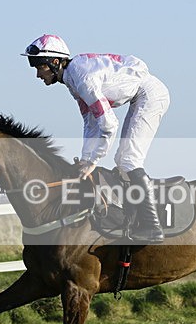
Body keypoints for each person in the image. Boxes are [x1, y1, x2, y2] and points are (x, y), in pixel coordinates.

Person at [22, 34, 170, 243]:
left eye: (40, 67)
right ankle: (134, 216)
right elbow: (90, 122)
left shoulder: (82, 79)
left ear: (55, 62)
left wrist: (93, 161)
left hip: (150, 95)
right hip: (139, 94)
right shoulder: (73, 78)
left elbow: (109, 124)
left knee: (129, 160)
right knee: (122, 160)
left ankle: (153, 227)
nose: (38, 74)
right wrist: (85, 159)